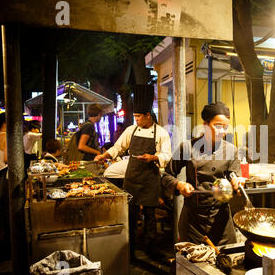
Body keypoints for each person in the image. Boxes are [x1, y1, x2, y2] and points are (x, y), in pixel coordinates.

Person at [94, 84, 172, 260]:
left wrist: (152, 158)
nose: (136, 119)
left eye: (138, 117)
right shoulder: (131, 130)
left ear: (147, 116)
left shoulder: (161, 133)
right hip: (132, 179)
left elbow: (167, 154)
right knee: (130, 214)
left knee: (150, 216)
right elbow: (119, 147)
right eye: (135, 116)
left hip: (150, 180)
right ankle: (129, 249)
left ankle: (151, 248)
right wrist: (104, 155)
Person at [161, 101, 242, 246]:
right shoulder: (187, 147)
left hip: (221, 220)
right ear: (205, 124)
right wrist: (179, 184)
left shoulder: (231, 150)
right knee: (192, 264)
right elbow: (166, 176)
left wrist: (237, 184)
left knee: (226, 262)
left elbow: (233, 176)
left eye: (225, 127)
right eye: (217, 126)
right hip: (193, 221)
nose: (222, 132)